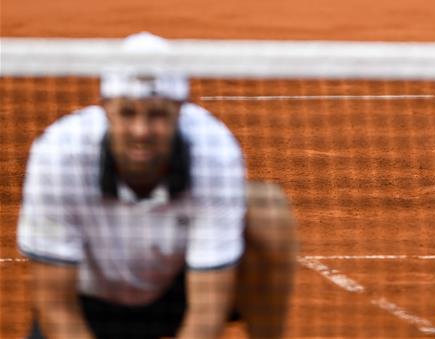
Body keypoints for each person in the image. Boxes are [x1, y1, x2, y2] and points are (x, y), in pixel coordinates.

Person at [18, 32, 297, 338]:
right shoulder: (59, 154)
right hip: (90, 303)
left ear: (180, 110)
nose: (141, 131)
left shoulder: (214, 151)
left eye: (157, 114)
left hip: (176, 296)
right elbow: (56, 306)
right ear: (106, 109)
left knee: (267, 210)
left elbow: (207, 310)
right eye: (128, 113)